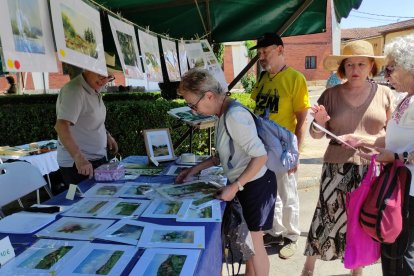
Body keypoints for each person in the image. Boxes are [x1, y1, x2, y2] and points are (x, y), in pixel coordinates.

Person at [301, 40, 394, 276]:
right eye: (350, 64)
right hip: (336, 166)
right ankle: (308, 267)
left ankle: (357, 268)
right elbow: (316, 133)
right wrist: (319, 124)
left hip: (372, 167)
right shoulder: (330, 94)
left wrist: (365, 140)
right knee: (326, 215)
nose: (355, 69)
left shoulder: (385, 93)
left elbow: (393, 133)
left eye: (361, 64)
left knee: (362, 219)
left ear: (372, 66)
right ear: (343, 68)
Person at [176, 68, 277, 276]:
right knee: (249, 245)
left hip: (256, 185)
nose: (193, 111)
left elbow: (260, 156)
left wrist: (235, 186)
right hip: (248, 183)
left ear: (210, 96)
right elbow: (223, 155)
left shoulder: (234, 115)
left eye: (193, 105)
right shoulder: (223, 113)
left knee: (255, 245)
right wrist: (194, 170)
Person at [340, 34, 414, 276]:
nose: (387, 73)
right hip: (398, 188)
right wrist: (363, 141)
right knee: (392, 253)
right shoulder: (405, 99)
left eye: (392, 67)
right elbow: (392, 139)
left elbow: (400, 150)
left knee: (403, 257)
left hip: (410, 192)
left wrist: (394, 158)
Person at [250, 32, 310, 259]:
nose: (262, 57)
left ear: (280, 50)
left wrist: (296, 153)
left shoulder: (296, 79)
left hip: (283, 149)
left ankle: (292, 236)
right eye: (259, 53)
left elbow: (302, 120)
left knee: (287, 194)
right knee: (269, 193)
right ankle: (275, 231)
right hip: (261, 148)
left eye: (266, 52)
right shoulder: (263, 78)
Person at [55, 60, 118, 186]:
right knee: (82, 203)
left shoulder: (93, 88)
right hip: (79, 165)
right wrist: (79, 157)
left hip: (94, 160)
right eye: (101, 75)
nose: (104, 80)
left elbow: (89, 118)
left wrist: (106, 134)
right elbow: (61, 126)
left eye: (109, 77)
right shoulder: (75, 91)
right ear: (89, 68)